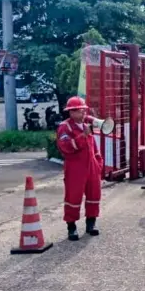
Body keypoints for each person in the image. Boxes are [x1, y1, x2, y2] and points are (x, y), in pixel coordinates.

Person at [56, 96, 102, 241]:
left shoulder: (85, 126)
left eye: (84, 111)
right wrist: (83, 135)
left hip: (92, 167)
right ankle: (71, 227)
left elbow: (94, 148)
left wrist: (98, 164)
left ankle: (91, 224)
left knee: (94, 194)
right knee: (73, 197)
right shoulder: (65, 127)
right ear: (71, 112)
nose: (83, 114)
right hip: (75, 168)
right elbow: (66, 147)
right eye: (80, 111)